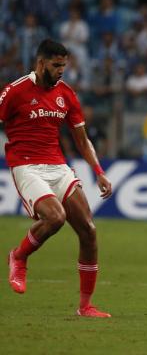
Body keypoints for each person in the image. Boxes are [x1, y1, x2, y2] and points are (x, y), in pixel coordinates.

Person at [1, 39, 112, 318]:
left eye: (64, 65)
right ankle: (19, 256)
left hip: (58, 167)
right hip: (26, 167)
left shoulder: (67, 95)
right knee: (55, 217)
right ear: (41, 63)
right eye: (56, 65)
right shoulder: (15, 92)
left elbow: (82, 141)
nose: (62, 70)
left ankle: (85, 306)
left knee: (89, 231)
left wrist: (99, 173)